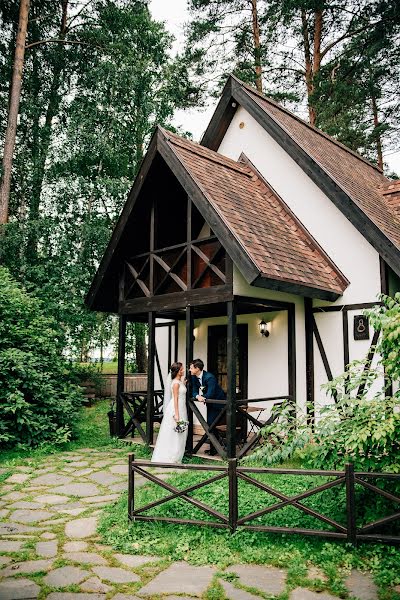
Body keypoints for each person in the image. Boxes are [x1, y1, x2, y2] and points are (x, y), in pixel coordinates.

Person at [151, 362, 188, 464]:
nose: (184, 370)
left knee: (181, 430)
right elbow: (175, 399)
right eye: (182, 369)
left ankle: (177, 454)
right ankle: (172, 456)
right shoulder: (175, 383)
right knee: (174, 431)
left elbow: (181, 392)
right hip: (176, 408)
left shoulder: (179, 382)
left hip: (182, 407)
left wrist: (183, 384)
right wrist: (176, 414)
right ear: (178, 371)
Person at [189, 358, 225, 456]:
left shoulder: (210, 377)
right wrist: (197, 396)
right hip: (209, 404)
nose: (190, 370)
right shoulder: (194, 377)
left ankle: (216, 448)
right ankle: (214, 448)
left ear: (197, 368)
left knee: (212, 425)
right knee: (211, 425)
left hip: (219, 404)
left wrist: (203, 397)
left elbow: (211, 393)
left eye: (191, 368)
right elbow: (194, 390)